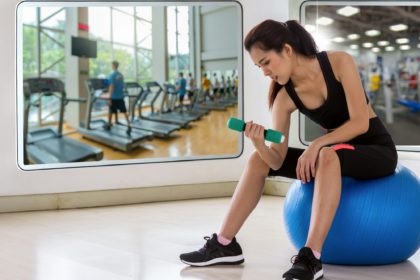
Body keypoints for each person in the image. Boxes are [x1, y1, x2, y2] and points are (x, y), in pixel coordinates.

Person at [179, 19, 398, 280]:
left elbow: (361, 123)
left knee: (327, 154)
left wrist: (316, 145)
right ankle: (225, 244)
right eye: (259, 66)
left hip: (375, 149)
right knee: (257, 160)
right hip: (335, 153)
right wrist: (260, 144)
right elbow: (276, 160)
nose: (264, 72)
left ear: (287, 50)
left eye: (266, 62)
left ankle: (311, 258)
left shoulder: (339, 62)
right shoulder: (284, 98)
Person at [105, 60, 131, 135]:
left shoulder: (112, 75)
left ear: (113, 65)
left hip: (114, 97)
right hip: (120, 96)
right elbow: (122, 85)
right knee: (124, 111)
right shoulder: (121, 75)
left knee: (111, 111)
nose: (111, 66)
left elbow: (111, 86)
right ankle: (129, 125)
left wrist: (109, 97)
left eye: (111, 65)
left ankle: (109, 124)